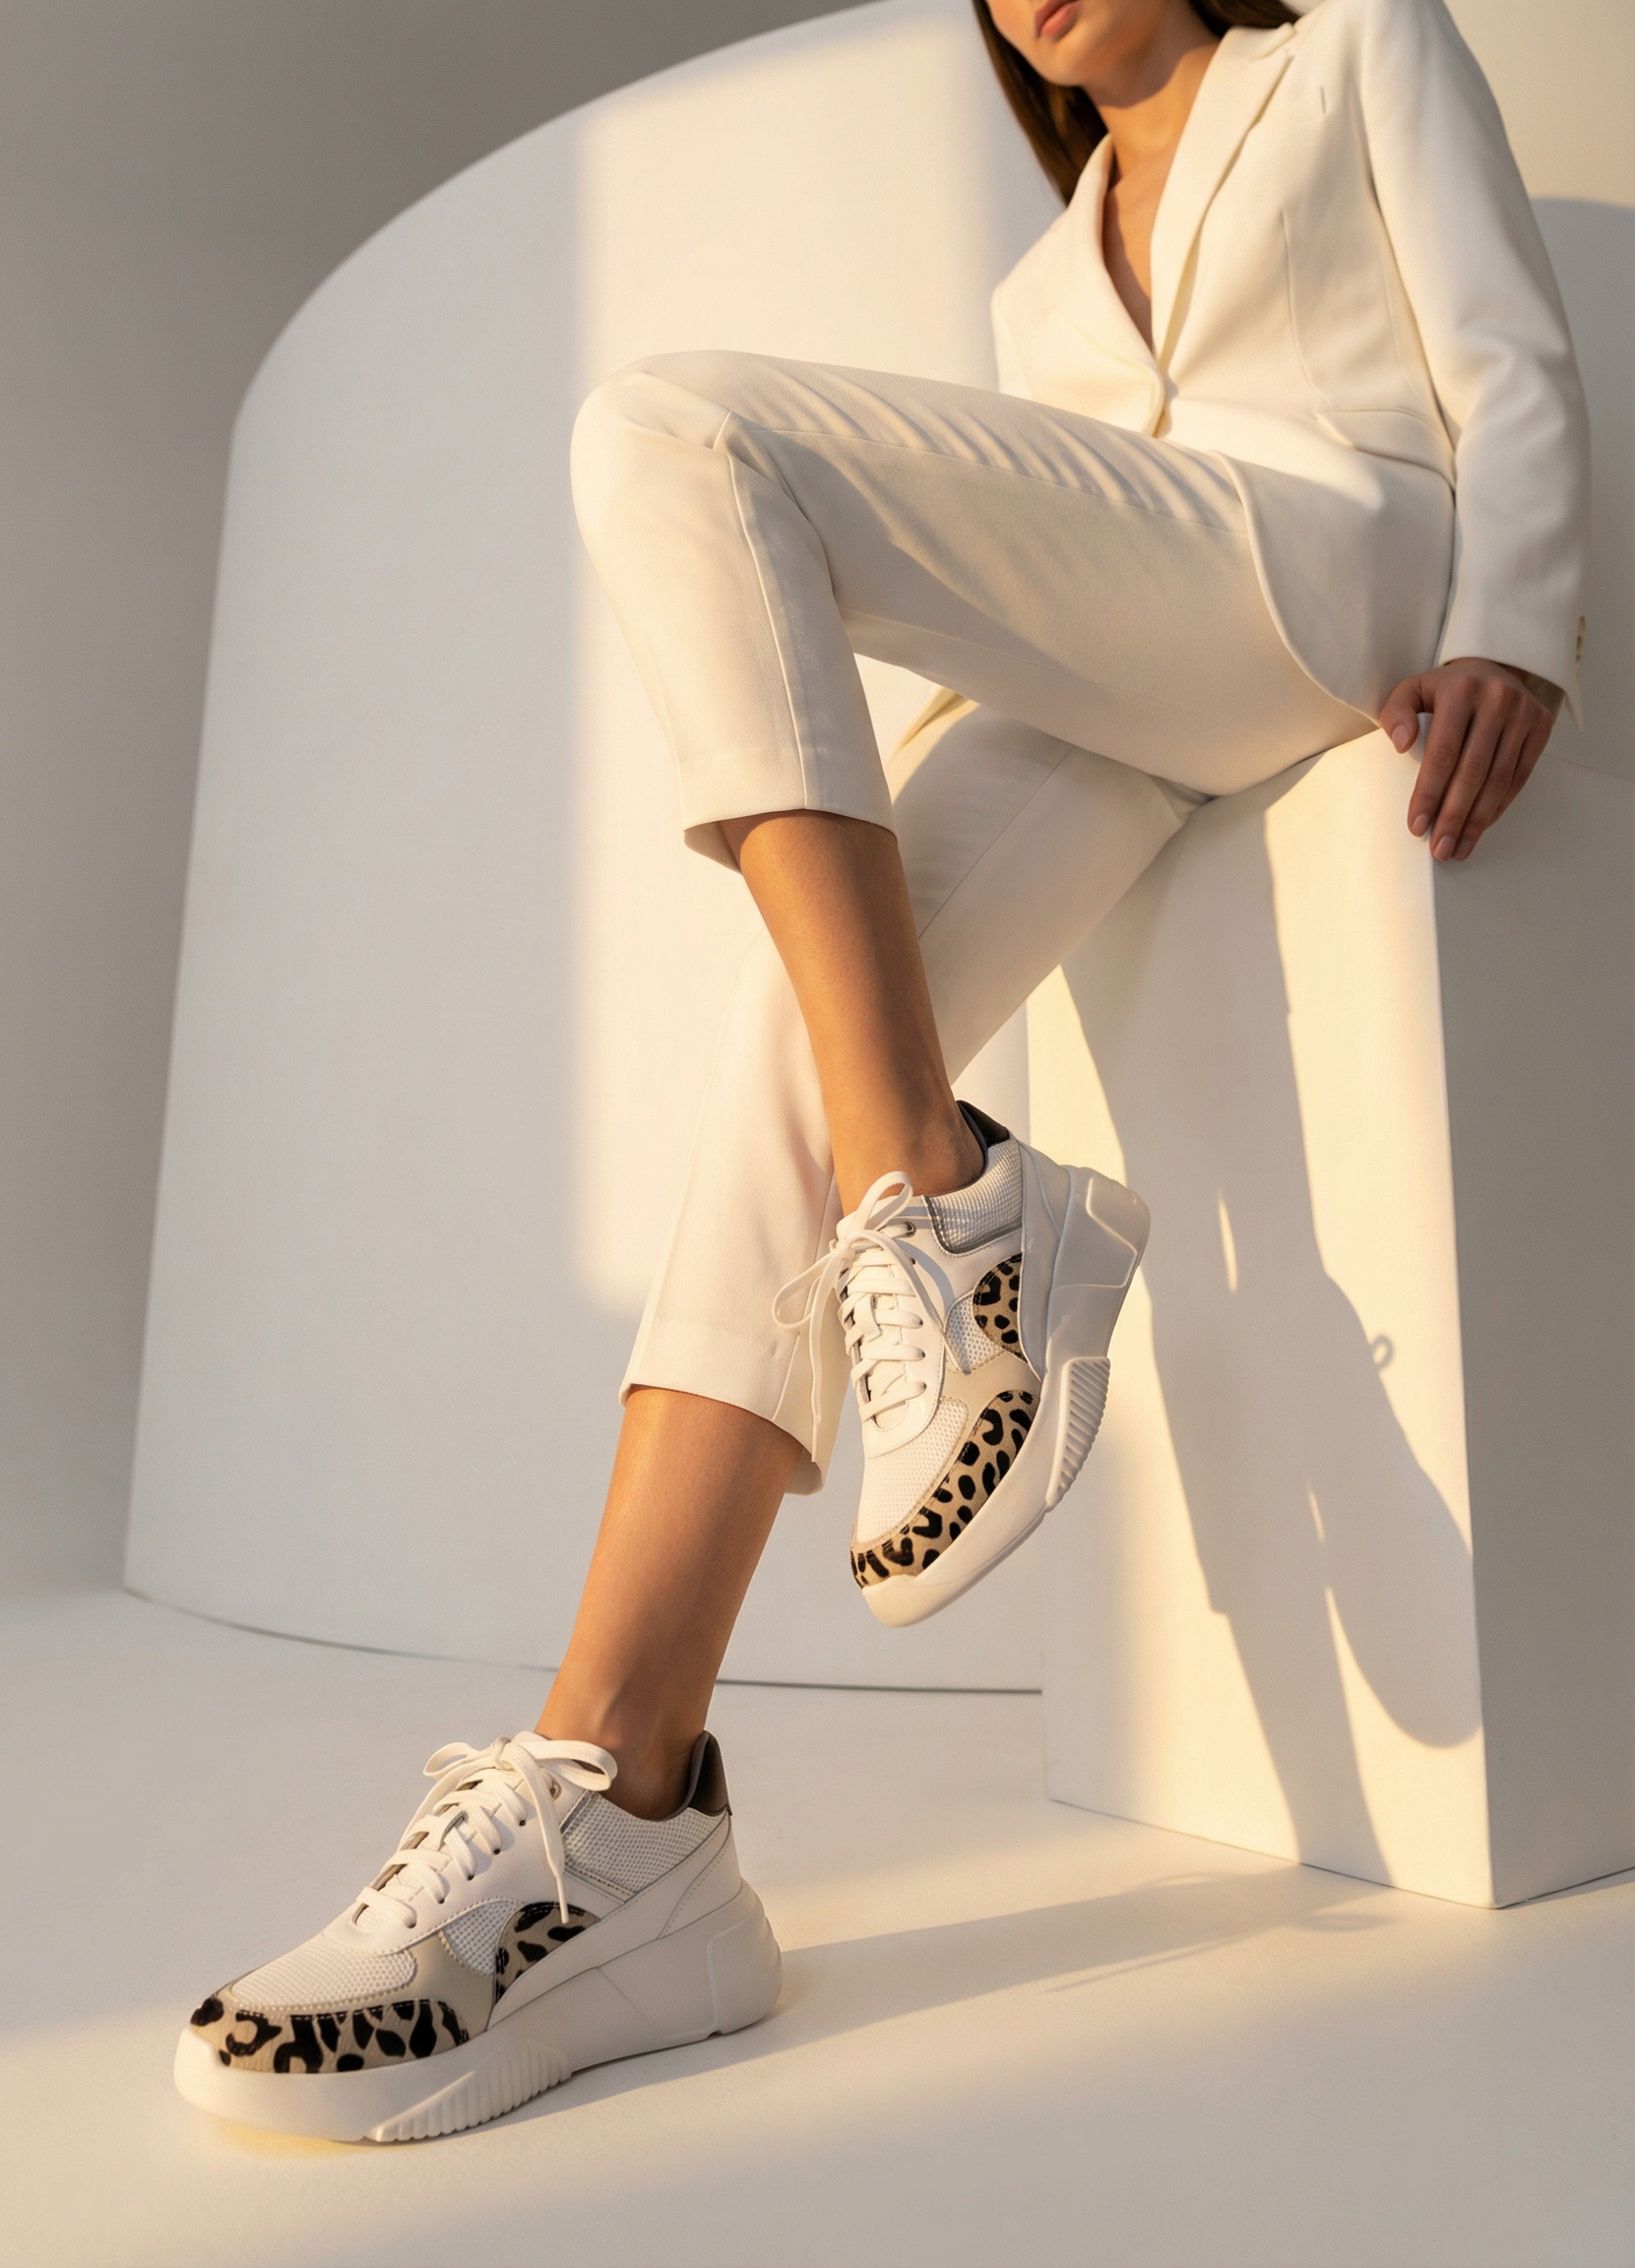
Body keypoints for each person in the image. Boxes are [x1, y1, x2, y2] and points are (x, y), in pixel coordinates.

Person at [173, 0, 1587, 2142]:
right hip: (1137, 672)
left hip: (1334, 563)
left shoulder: (1360, 40)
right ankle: (618, 1793)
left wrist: (1522, 616)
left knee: (668, 425)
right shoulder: (1044, 274)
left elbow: (1506, 346)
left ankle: (934, 1197)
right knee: (804, 1025)